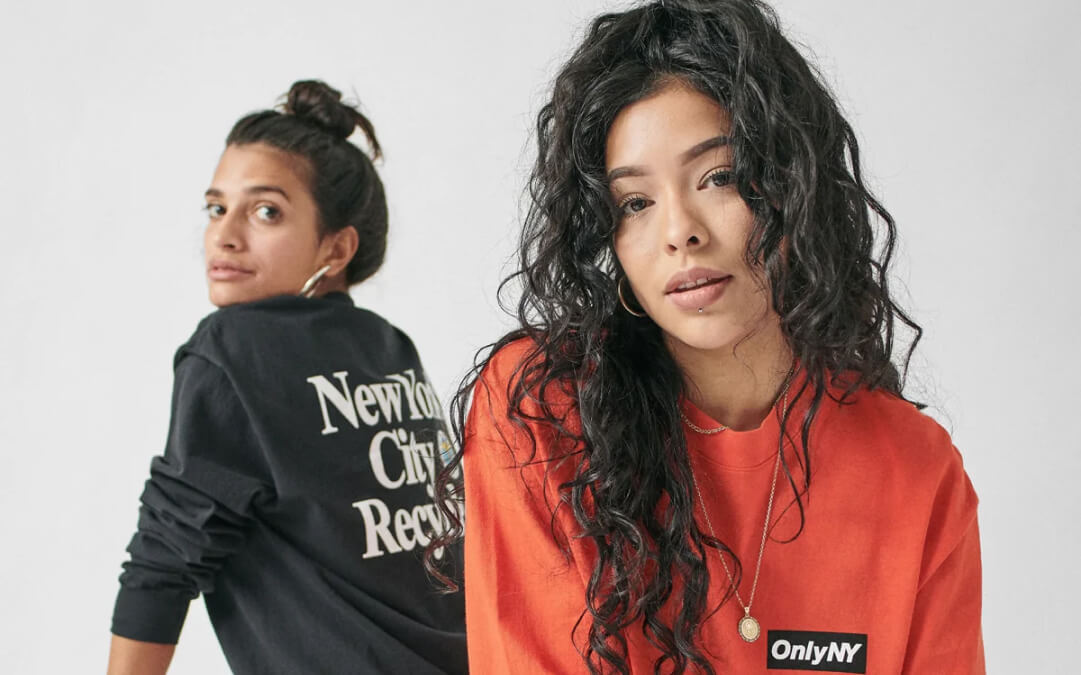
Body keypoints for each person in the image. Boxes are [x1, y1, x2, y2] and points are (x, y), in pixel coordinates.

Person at [429, 1, 983, 673]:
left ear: (791, 185)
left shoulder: (913, 469)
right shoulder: (542, 414)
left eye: (718, 177)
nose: (678, 232)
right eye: (635, 203)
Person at [108, 80, 466, 675]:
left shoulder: (233, 349)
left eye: (266, 211)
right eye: (217, 208)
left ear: (336, 249)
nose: (225, 235)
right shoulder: (388, 346)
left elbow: (165, 559)